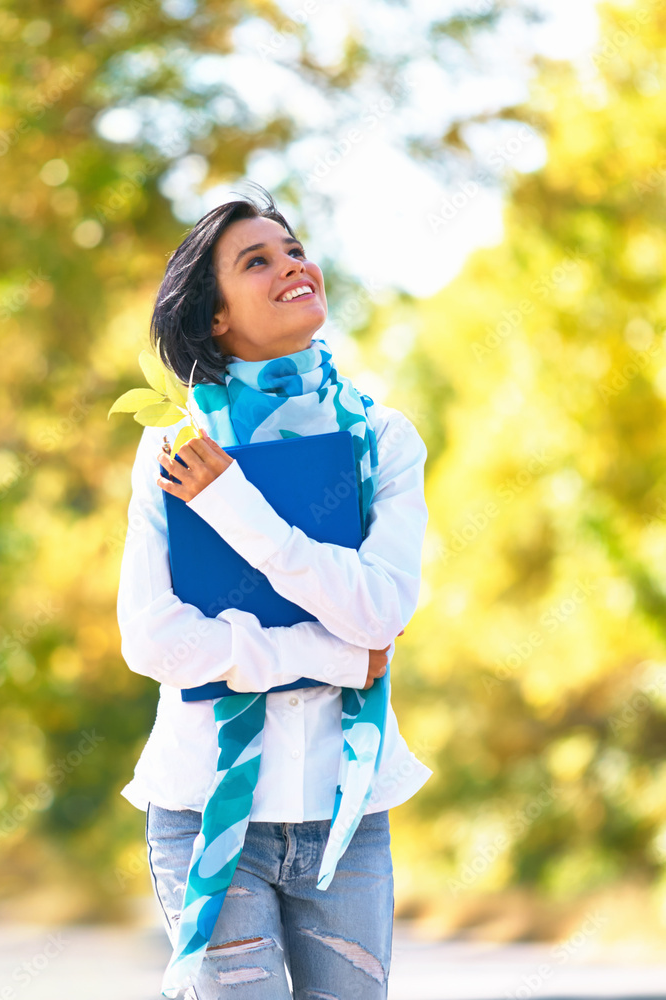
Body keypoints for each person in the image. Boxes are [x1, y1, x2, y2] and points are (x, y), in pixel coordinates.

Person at [117, 183, 433, 999]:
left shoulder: (383, 438)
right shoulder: (173, 447)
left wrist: (232, 506)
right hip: (201, 816)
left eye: (293, 249)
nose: (293, 265)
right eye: (256, 260)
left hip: (345, 822)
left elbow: (382, 610)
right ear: (215, 316)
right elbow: (153, 640)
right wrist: (326, 655)